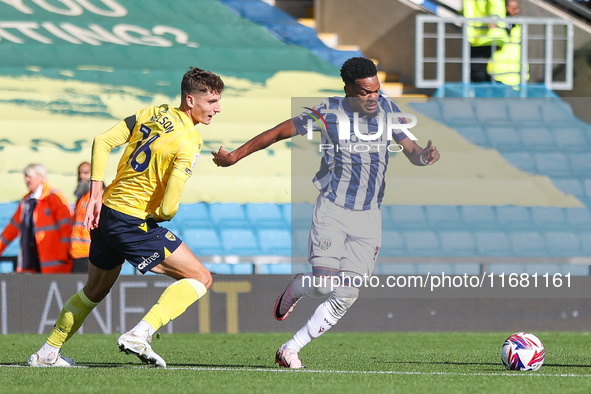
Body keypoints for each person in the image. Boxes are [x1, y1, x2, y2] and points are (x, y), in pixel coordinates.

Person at [212, 57, 440, 368]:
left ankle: (290, 349)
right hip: (333, 210)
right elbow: (280, 132)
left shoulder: (388, 110)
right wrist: (235, 156)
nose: (373, 97)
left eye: (376, 90)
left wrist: (424, 156)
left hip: (370, 215)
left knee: (348, 293)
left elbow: (411, 150)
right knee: (323, 285)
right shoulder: (329, 111)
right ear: (347, 89)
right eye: (364, 92)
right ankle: (297, 286)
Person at [28, 67, 223, 368]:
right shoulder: (190, 140)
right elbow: (169, 208)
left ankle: (47, 352)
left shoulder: (151, 113)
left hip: (107, 213)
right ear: (190, 100)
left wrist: (95, 193)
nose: (217, 109)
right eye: (211, 102)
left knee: (95, 289)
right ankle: (140, 333)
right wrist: (156, 215)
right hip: (132, 220)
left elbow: (102, 140)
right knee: (201, 277)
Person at [0, 164, 72, 273]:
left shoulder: (54, 197)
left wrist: (63, 256)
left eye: (29, 176)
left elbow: (67, 227)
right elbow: (10, 231)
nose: (26, 180)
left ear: (40, 177)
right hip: (33, 263)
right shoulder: (26, 202)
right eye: (25, 176)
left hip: (56, 264)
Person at [487, 0, 529, 86]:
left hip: (517, 75)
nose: (516, 11)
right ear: (505, 8)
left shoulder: (518, 26)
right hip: (499, 73)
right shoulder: (497, 25)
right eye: (513, 8)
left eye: (517, 8)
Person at [464, 0, 507, 82]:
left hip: (488, 35)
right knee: (475, 69)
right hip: (479, 36)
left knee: (476, 69)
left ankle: (495, 90)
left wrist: (494, 18)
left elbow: (496, 2)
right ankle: (492, 89)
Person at [70, 162, 92, 273]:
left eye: (86, 173)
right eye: (79, 173)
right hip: (77, 253)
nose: (81, 176)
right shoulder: (81, 198)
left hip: (89, 254)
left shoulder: (97, 197)